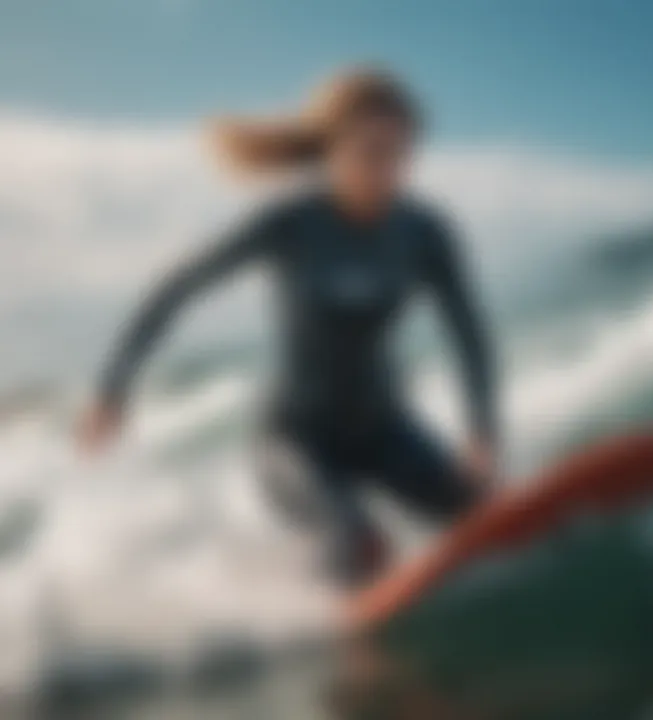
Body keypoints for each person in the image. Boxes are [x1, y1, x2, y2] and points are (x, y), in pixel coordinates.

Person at [77, 69, 498, 587]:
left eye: (400, 155)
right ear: (333, 151)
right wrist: (112, 388)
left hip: (383, 428)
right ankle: (347, 647)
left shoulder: (425, 232)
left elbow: (468, 331)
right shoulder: (290, 223)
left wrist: (482, 428)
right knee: (357, 543)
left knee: (480, 511)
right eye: (372, 153)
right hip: (295, 442)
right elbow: (177, 288)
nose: (387, 171)